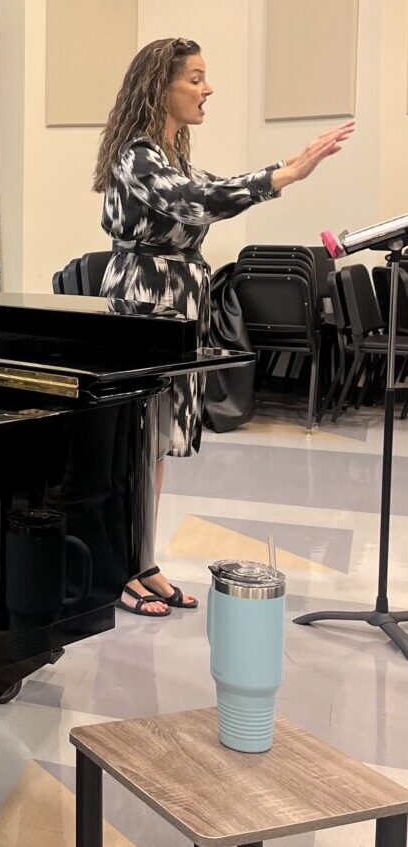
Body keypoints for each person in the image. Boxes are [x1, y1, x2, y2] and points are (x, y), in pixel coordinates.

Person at [92, 38, 353, 617]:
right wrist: (287, 171)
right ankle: (120, 569)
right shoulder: (137, 156)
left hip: (176, 303)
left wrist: (283, 174)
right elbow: (199, 202)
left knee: (155, 443)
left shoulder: (170, 156)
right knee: (136, 442)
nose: (207, 88)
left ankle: (142, 560)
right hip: (145, 304)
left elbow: (208, 192)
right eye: (196, 78)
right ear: (160, 86)